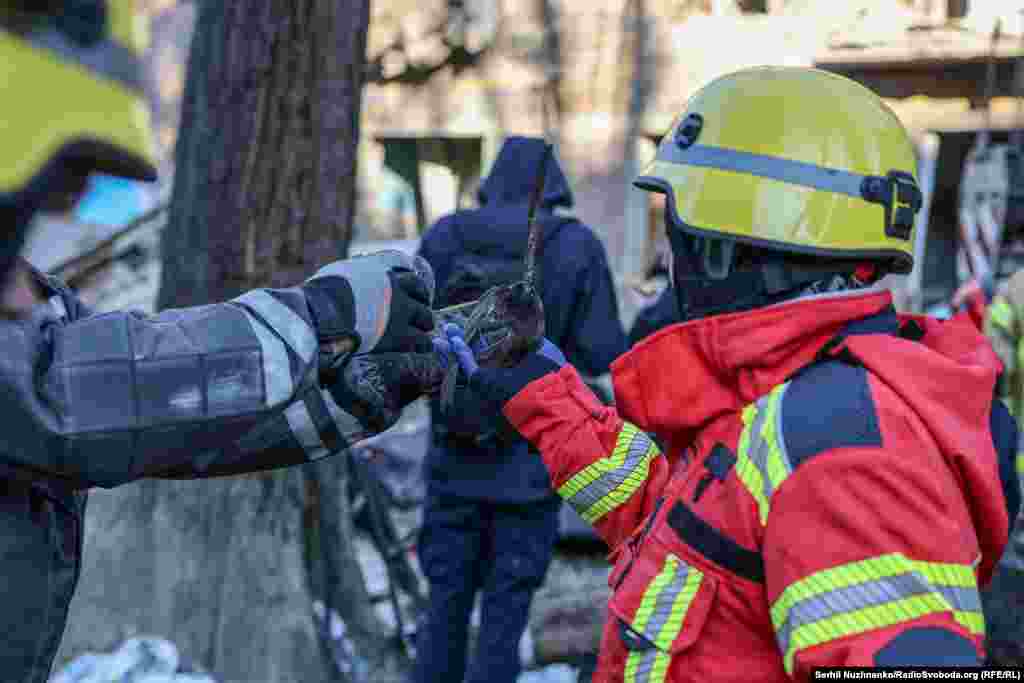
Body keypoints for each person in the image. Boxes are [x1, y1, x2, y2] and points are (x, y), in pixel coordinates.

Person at [439, 67, 1021, 680]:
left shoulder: (846, 451)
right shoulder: (786, 395)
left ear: (729, 248)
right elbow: (682, 531)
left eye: (682, 235)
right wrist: (539, 390)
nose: (672, 260)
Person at [0, 3, 437, 680]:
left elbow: (147, 416)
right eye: (34, 202)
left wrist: (334, 396)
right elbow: (65, 393)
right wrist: (320, 316)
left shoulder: (25, 302)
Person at [411, 136, 627, 683]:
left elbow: (414, 340)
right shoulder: (576, 245)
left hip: (452, 464)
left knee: (442, 611)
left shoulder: (443, 237)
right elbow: (605, 351)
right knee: (504, 620)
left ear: (490, 180)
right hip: (532, 468)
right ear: (555, 186)